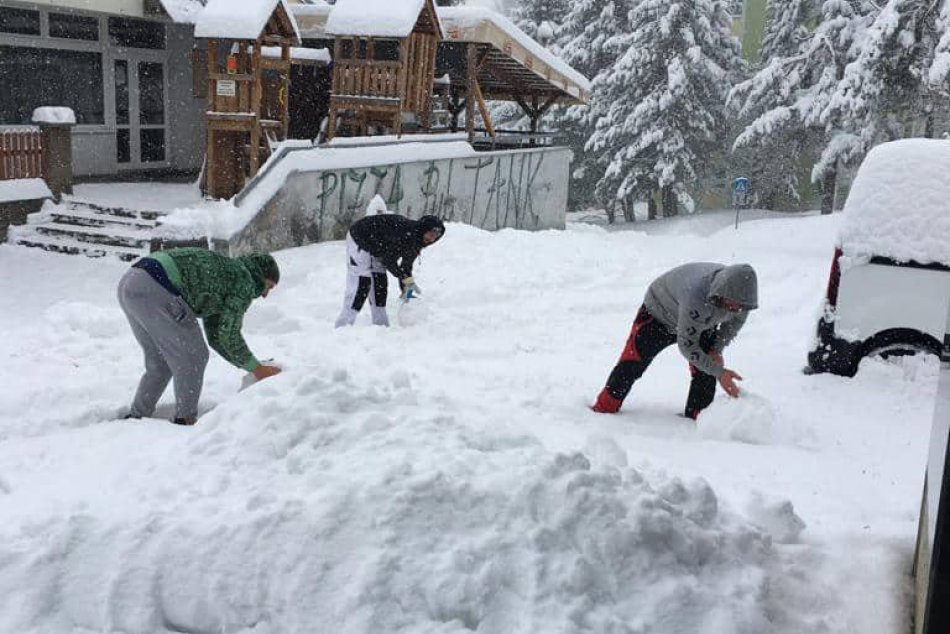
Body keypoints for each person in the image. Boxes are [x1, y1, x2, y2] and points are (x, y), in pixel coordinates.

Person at [117, 247, 283, 425]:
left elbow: (217, 337)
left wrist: (252, 366)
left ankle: (136, 417)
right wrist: (258, 369)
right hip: (159, 285)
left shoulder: (227, 273)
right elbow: (229, 334)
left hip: (133, 280)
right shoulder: (245, 280)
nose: (265, 295)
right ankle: (185, 419)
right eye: (269, 286)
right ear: (260, 276)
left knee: (160, 361)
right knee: (195, 355)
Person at [591, 263, 758, 419]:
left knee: (707, 367)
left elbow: (732, 326)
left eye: (740, 307)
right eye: (733, 305)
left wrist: (716, 350)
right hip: (658, 314)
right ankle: (603, 410)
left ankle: (700, 419)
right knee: (633, 364)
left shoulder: (741, 299)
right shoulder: (697, 297)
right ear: (723, 292)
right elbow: (687, 345)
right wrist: (720, 373)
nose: (736, 310)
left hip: (702, 321)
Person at [335, 213, 446, 327]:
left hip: (379, 248)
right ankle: (343, 326)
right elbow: (389, 261)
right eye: (431, 234)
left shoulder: (417, 241)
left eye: (435, 237)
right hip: (361, 237)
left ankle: (380, 325)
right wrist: (403, 278)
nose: (432, 239)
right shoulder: (405, 234)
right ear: (423, 229)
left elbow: (405, 268)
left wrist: (407, 287)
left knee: (380, 284)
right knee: (362, 283)